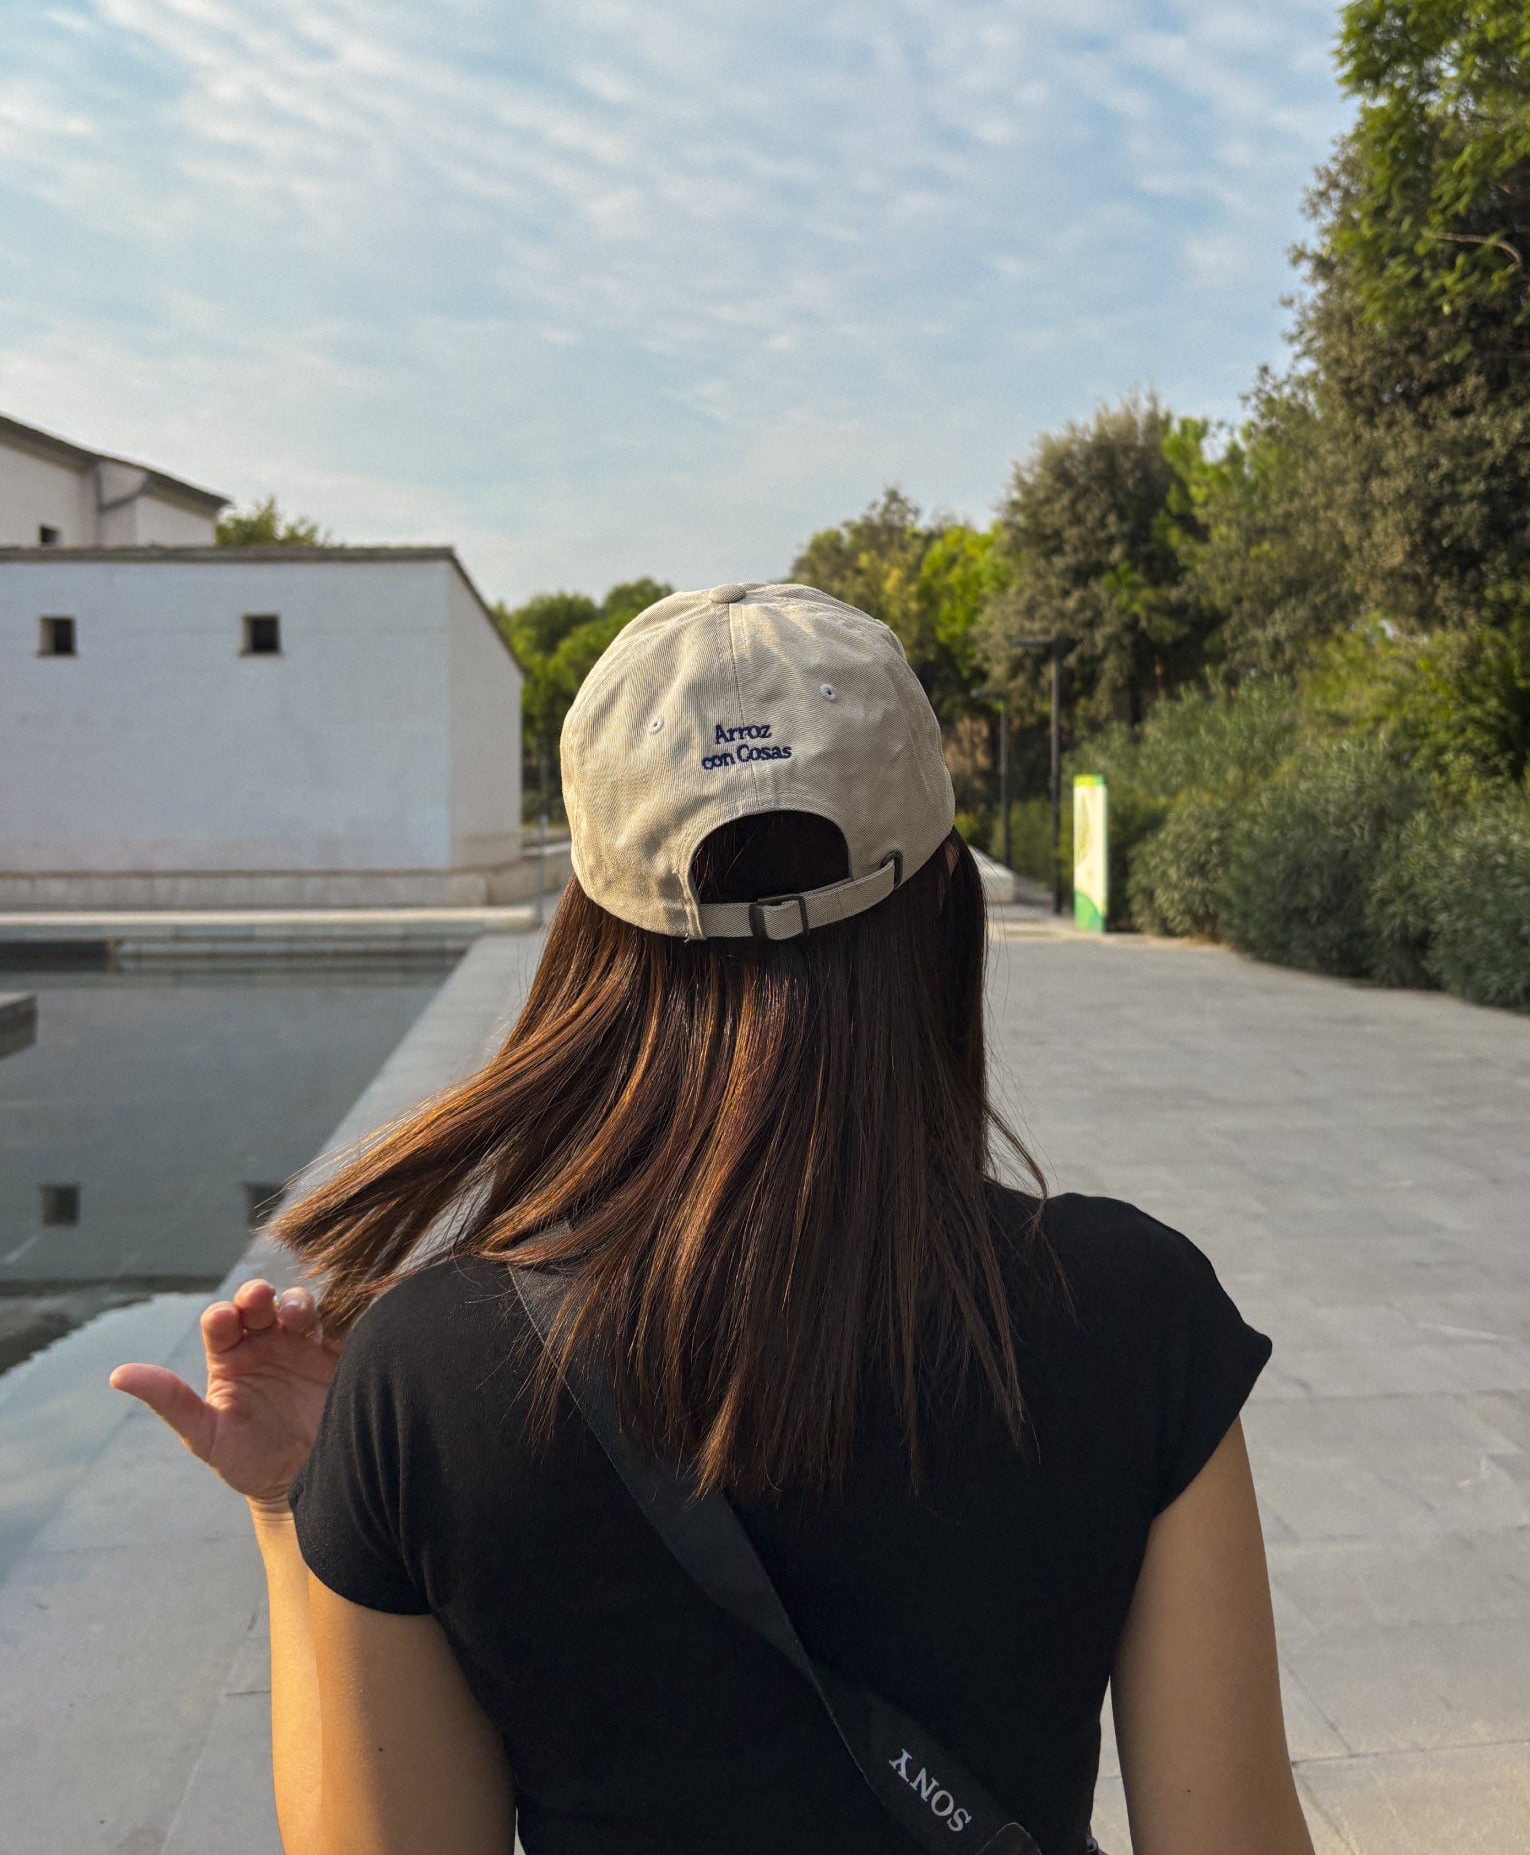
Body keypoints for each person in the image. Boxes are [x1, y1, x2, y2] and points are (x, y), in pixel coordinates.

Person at [111, 582, 1314, 1855]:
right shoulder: (1134, 1313)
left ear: (584, 930)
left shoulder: (428, 1377)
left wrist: (304, 1508)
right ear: (948, 897)